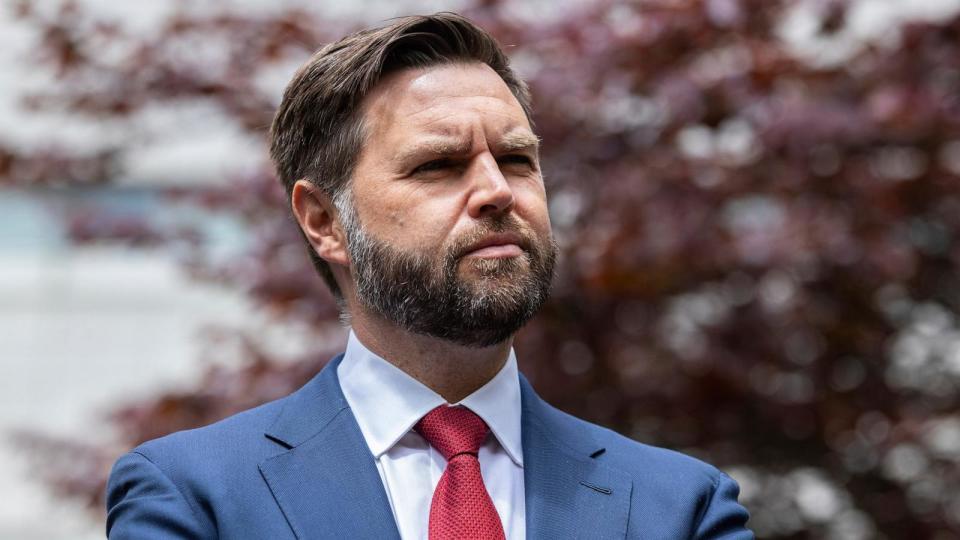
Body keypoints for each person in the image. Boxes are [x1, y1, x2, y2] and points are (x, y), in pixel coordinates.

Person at [106, 12, 753, 539]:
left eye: (517, 159)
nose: (497, 191)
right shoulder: (195, 500)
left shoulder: (681, 509)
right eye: (439, 165)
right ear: (324, 220)